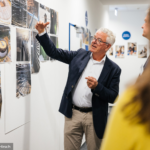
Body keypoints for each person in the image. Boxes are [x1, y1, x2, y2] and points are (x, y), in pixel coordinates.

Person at [35, 22, 121, 150]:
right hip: (72, 114)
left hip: (95, 117)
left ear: (107, 46)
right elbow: (54, 52)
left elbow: (113, 97)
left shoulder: (113, 69)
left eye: (99, 40)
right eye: (94, 38)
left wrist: (97, 87)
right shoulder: (79, 55)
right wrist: (42, 33)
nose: (94, 41)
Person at [100, 8, 150, 150]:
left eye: (146, 21)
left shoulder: (133, 101)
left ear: (107, 46)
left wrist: (98, 87)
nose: (141, 25)